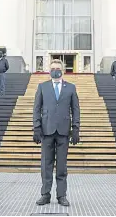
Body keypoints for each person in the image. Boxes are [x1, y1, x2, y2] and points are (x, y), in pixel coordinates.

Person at [33, 59, 80, 207]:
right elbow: (36, 108)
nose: (55, 70)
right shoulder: (42, 87)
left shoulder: (71, 88)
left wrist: (76, 128)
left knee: (61, 166)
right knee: (46, 165)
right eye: (52, 68)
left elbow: (76, 109)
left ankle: (61, 195)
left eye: (58, 68)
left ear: (63, 70)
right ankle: (45, 194)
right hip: (47, 131)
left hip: (63, 132)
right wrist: (36, 127)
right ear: (49, 70)